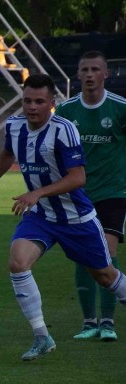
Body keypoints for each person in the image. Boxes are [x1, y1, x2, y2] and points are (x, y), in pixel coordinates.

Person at [0, 74, 126, 361]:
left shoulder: (64, 130)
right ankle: (42, 336)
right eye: (27, 101)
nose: (32, 107)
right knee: (18, 262)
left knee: (104, 275)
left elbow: (78, 178)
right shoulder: (14, 126)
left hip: (76, 218)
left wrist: (37, 193)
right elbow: (7, 154)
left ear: (51, 103)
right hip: (42, 216)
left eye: (39, 101)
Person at [55, 51, 126, 342]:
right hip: (78, 194)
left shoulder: (120, 108)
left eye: (95, 69)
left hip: (113, 192)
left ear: (105, 74)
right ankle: (88, 322)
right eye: (84, 69)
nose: (89, 74)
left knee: (107, 253)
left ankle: (107, 321)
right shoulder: (66, 111)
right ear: (78, 74)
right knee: (83, 257)